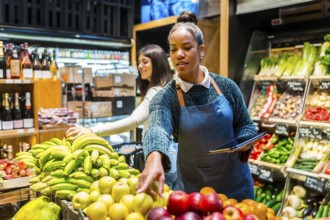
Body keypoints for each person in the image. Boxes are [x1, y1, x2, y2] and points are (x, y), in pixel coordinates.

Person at [136, 12, 258, 202]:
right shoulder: (166, 97)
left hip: (235, 185)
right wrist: (153, 158)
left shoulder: (226, 87)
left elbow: (246, 124)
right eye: (173, 49)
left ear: (201, 50)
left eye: (186, 48)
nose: (179, 55)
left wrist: (245, 140)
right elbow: (157, 127)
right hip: (195, 193)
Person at [65, 44, 178, 188]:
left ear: (157, 63)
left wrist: (94, 130)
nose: (140, 66)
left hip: (162, 158)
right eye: (138, 62)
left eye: (145, 62)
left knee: (161, 202)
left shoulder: (156, 91)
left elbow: (133, 121)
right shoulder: (168, 87)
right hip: (169, 154)